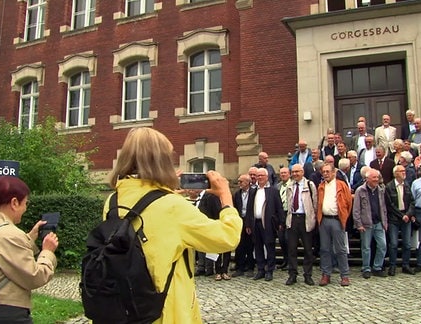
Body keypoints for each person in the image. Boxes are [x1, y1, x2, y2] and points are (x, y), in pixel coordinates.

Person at [99, 127, 241, 323]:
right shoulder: (174, 207)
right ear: (163, 161)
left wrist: (165, 193)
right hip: (165, 311)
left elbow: (151, 223)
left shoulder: (113, 200)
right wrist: (225, 195)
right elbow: (227, 237)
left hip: (123, 307)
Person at [0, 176, 58, 323]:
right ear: (14, 202)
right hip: (7, 312)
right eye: (25, 203)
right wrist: (47, 252)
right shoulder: (11, 235)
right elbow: (35, 276)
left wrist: (29, 237)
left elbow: (2, 254)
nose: (25, 208)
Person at [317, 164, 353, 287]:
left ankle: (345, 275)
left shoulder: (341, 185)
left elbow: (348, 202)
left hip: (337, 219)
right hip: (324, 220)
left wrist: (343, 216)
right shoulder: (321, 186)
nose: (325, 174)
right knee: (325, 249)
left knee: (340, 249)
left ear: (334, 173)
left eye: (327, 171)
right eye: (324, 172)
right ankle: (326, 274)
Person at [245, 168, 283, 281]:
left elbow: (279, 207)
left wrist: (281, 222)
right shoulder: (253, 191)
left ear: (267, 177)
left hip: (268, 223)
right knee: (258, 247)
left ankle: (270, 270)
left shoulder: (273, 191)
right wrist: (248, 224)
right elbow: (249, 209)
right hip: (255, 223)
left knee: (270, 246)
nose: (260, 177)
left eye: (262, 175)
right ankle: (260, 269)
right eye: (258, 175)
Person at [284, 164, 317, 286]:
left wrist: (313, 219)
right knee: (291, 249)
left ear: (302, 172)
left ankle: (308, 275)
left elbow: (315, 202)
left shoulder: (310, 185)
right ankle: (292, 274)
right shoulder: (290, 185)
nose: (295, 174)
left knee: (308, 249)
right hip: (293, 218)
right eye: (293, 172)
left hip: (305, 218)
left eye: (297, 172)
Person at [353, 168, 388, 279]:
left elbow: (383, 207)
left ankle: (377, 267)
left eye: (377, 177)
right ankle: (366, 268)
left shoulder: (381, 190)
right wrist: (358, 224)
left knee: (382, 245)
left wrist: (385, 222)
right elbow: (356, 209)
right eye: (374, 177)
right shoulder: (360, 190)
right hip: (366, 223)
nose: (376, 179)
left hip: (378, 223)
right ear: (367, 179)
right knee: (366, 247)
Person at [384, 165, 416, 276]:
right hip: (394, 218)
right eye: (401, 171)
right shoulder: (389, 187)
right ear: (395, 173)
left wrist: (408, 214)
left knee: (407, 244)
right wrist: (401, 215)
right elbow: (390, 205)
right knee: (393, 243)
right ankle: (392, 266)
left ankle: (405, 265)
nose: (404, 173)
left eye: (404, 171)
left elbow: (412, 202)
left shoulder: (407, 185)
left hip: (406, 218)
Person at [231, 174, 255, 278]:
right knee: (240, 246)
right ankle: (239, 267)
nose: (239, 183)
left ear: (248, 182)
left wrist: (249, 224)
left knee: (250, 246)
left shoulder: (254, 193)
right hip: (240, 220)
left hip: (250, 220)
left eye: (241, 181)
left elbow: (252, 209)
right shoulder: (237, 194)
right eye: (239, 181)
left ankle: (250, 267)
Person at [275, 167, 290, 270]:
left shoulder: (292, 185)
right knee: (281, 239)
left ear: (289, 174)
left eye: (285, 173)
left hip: (289, 213)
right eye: (281, 173)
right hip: (280, 214)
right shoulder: (277, 186)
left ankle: (290, 261)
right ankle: (285, 260)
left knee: (288, 239)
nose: (283, 175)